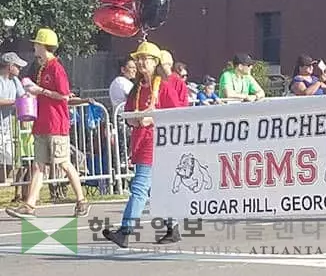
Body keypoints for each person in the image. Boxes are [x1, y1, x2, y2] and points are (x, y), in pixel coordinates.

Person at [102, 42, 188, 247]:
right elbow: (130, 113)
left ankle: (125, 230)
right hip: (140, 140)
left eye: (145, 59)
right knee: (155, 189)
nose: (140, 62)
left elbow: (176, 113)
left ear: (155, 62)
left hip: (156, 142)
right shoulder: (138, 87)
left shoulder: (164, 85)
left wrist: (153, 118)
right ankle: (172, 227)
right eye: (138, 58)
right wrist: (133, 119)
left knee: (139, 186)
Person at [6, 29, 90, 219]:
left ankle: (81, 200)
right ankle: (30, 204)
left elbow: (63, 95)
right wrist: (32, 93)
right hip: (42, 122)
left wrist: (40, 90)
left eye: (36, 44)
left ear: (43, 46)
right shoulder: (42, 67)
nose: (34, 46)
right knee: (38, 165)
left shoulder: (56, 68)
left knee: (64, 163)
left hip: (56, 123)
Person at [1, 53, 28, 184]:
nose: (20, 68)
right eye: (17, 66)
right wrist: (15, 102)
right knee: (5, 162)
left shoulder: (15, 81)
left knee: (9, 161)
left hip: (6, 129)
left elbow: (22, 97)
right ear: (10, 66)